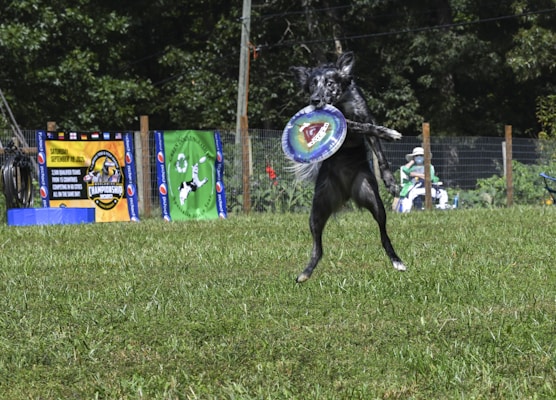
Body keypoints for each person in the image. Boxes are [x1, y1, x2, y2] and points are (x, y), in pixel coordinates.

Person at [399, 147, 449, 212]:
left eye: (421, 155)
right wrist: (412, 161)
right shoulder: (411, 167)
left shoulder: (429, 166)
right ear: (414, 157)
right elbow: (404, 169)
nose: (419, 157)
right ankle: (409, 211)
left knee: (443, 193)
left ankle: (443, 208)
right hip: (414, 186)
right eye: (417, 156)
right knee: (411, 194)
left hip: (427, 185)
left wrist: (414, 174)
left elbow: (430, 177)